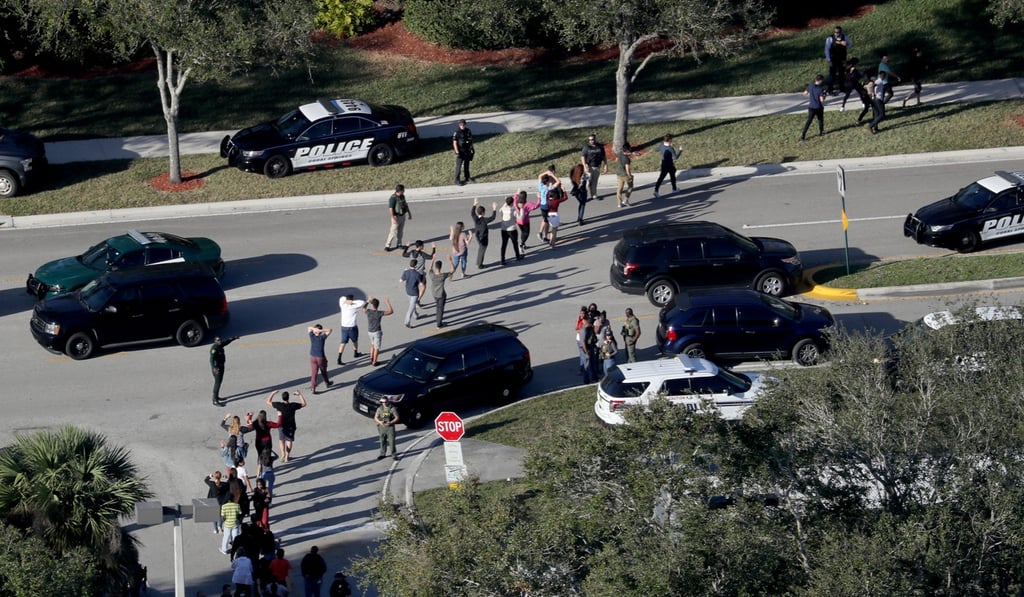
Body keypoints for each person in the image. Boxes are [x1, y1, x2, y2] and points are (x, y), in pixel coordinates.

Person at [267, 390, 307, 463]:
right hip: (291, 425)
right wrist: (299, 395)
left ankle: (283, 454)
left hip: (281, 425)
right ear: (288, 398)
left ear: (282, 398)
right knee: (289, 441)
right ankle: (287, 456)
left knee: (281, 440)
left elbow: (268, 402)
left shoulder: (278, 405)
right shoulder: (293, 405)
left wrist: (272, 393)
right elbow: (304, 404)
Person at [362, 296, 393, 366]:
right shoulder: (379, 313)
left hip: (370, 331)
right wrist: (387, 303)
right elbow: (391, 311)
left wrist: (367, 301)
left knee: (372, 344)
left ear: (372, 305)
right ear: (378, 305)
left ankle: (371, 358)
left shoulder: (368, 311)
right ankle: (374, 362)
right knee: (377, 348)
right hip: (377, 332)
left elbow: (363, 308)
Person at [210, 335, 240, 406]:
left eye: (220, 340)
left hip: (221, 366)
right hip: (217, 368)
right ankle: (214, 399)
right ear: (215, 341)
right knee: (217, 383)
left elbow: (226, 342)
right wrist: (214, 367)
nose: (220, 341)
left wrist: (233, 338)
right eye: (218, 340)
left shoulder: (220, 345)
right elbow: (212, 359)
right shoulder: (214, 348)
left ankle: (217, 396)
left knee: (219, 382)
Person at [336, 295, 365, 365]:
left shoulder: (342, 305)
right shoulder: (354, 306)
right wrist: (353, 302)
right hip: (352, 327)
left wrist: (346, 301)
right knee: (355, 341)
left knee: (343, 343)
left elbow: (341, 298)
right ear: (352, 299)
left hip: (344, 327)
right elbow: (362, 302)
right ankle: (356, 353)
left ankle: (339, 358)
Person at [250, 410, 280, 478]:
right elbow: (278, 424)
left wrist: (250, 416)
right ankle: (266, 470)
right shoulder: (268, 424)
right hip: (267, 442)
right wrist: (279, 416)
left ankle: (258, 473)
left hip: (258, 441)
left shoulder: (256, 423)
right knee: (267, 457)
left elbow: (249, 425)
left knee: (259, 456)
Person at [470, 198, 498, 268]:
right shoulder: (485, 220)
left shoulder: (476, 219)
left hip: (478, 237)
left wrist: (474, 204)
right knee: (482, 251)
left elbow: (472, 213)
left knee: (480, 249)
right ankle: (480, 264)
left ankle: (478, 262)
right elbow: (492, 218)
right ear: (483, 212)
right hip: (484, 238)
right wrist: (494, 209)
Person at [535, 165, 560, 243]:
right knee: (546, 221)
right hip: (547, 205)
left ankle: (544, 235)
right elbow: (558, 182)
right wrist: (552, 175)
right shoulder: (549, 188)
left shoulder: (540, 186)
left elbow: (539, 176)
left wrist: (546, 172)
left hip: (542, 205)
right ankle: (543, 235)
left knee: (545, 219)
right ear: (547, 182)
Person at [383, 184, 411, 252]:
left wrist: (409, 213)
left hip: (402, 216)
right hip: (396, 217)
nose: (404, 191)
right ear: (400, 191)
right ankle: (387, 246)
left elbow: (405, 205)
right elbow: (390, 209)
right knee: (393, 232)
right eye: (403, 190)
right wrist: (393, 218)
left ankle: (399, 244)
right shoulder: (393, 198)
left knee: (400, 232)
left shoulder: (402, 196)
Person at [824, 25, 851, 95]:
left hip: (842, 58)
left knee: (842, 74)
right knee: (832, 75)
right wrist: (829, 60)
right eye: (835, 32)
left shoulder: (845, 37)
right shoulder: (830, 39)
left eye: (838, 32)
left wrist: (846, 44)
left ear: (840, 32)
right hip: (833, 59)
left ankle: (842, 88)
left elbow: (850, 44)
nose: (836, 33)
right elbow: (827, 50)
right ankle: (830, 89)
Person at [307, 324, 333, 393]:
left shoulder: (312, 336)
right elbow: (330, 330)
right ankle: (327, 382)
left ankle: (313, 387)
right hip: (320, 357)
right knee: (323, 371)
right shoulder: (322, 337)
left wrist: (314, 329)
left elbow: (308, 328)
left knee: (314, 373)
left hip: (312, 356)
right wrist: (320, 330)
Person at [543, 177, 569, 249]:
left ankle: (551, 242)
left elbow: (546, 195)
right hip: (555, 215)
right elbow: (565, 198)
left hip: (549, 215)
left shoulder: (547, 200)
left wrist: (550, 188)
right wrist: (564, 191)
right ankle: (552, 244)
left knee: (552, 230)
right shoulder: (556, 201)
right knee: (554, 230)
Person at [580, 134, 607, 200]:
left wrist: (606, 165)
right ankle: (584, 196)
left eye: (592, 139)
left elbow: (604, 156)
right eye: (589, 140)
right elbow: (582, 157)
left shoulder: (600, 147)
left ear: (595, 139)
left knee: (595, 182)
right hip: (589, 167)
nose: (591, 141)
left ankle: (594, 195)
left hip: (597, 166)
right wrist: (584, 165)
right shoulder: (586, 147)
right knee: (588, 182)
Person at [800, 74, 827, 141]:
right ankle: (821, 132)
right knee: (820, 119)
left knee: (808, 121)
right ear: (820, 81)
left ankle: (803, 135)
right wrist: (825, 95)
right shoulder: (820, 89)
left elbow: (805, 93)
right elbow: (822, 100)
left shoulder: (810, 86)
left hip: (811, 107)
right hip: (818, 107)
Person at [400, 259, 425, 328]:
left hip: (408, 291)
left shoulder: (406, 272)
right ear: (416, 265)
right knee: (411, 307)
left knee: (412, 304)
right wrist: (423, 277)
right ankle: (407, 321)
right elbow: (421, 284)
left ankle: (416, 315)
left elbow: (401, 281)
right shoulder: (417, 274)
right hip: (414, 292)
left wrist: (404, 272)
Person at [428, 260, 453, 328]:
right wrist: (450, 261)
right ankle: (439, 324)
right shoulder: (443, 276)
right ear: (441, 267)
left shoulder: (432, 275)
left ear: (435, 267)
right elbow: (452, 270)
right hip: (441, 294)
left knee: (437, 306)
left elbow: (430, 268)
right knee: (440, 309)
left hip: (434, 293)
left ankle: (438, 319)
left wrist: (432, 260)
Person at [498, 195, 522, 265]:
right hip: (512, 229)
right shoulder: (514, 210)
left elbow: (500, 209)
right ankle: (517, 256)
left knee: (504, 244)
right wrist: (520, 209)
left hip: (504, 229)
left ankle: (502, 259)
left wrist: (505, 202)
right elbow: (519, 218)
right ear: (512, 203)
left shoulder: (503, 209)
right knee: (515, 243)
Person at [514, 190, 539, 254]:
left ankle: (523, 243)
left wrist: (516, 193)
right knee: (526, 233)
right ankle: (521, 244)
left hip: (518, 220)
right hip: (525, 221)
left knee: (522, 232)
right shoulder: (527, 204)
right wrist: (539, 198)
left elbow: (514, 199)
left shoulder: (516, 202)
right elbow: (536, 206)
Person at [452, 119, 475, 185]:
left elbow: (470, 140)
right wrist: (457, 152)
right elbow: (454, 143)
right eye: (461, 124)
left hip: (467, 151)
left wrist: (472, 149)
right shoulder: (457, 132)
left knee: (466, 165)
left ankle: (467, 177)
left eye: (463, 124)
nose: (462, 126)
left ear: (465, 124)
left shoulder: (468, 131)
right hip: (460, 152)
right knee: (458, 167)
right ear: (459, 125)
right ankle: (457, 180)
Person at [578, 316, 599, 384]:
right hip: (586, 349)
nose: (593, 325)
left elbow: (593, 338)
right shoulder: (584, 330)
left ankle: (594, 378)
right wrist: (586, 352)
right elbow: (583, 342)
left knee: (593, 363)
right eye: (592, 323)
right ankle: (586, 380)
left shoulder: (590, 328)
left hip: (591, 347)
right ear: (589, 323)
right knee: (586, 366)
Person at [614, 143, 633, 208]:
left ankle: (619, 203)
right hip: (625, 175)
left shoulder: (619, 154)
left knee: (619, 188)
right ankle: (626, 200)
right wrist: (629, 175)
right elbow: (627, 169)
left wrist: (630, 154)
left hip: (619, 173)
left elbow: (616, 160)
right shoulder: (627, 159)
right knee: (630, 186)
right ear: (628, 150)